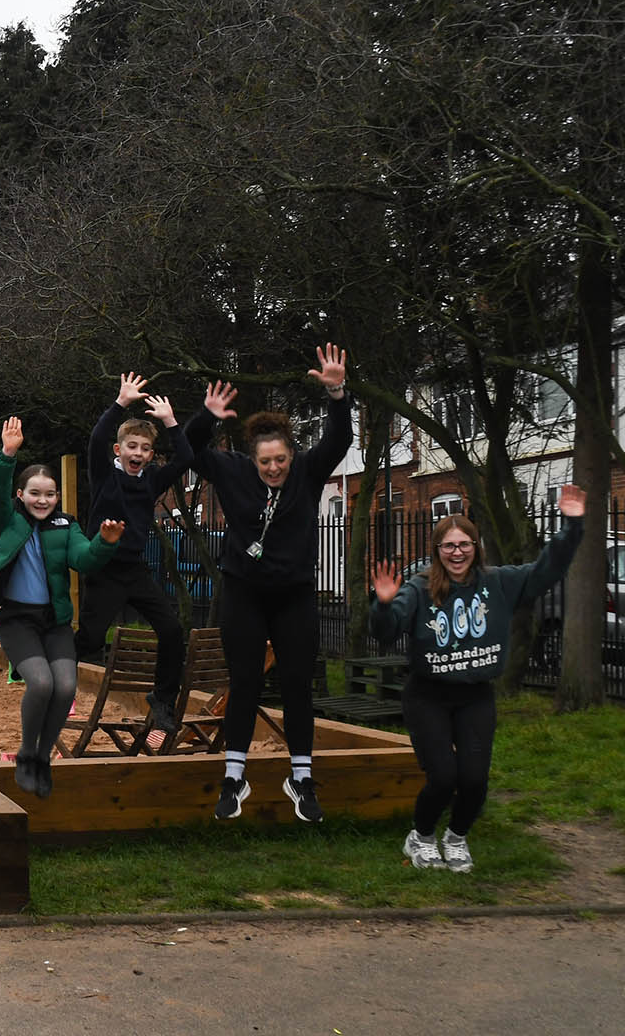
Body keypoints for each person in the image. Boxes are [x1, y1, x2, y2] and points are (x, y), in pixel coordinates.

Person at [371, 486, 585, 873]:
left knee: (474, 780)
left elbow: (546, 570)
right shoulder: (420, 588)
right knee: (443, 778)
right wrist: (384, 604)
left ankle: (456, 838)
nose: (457, 552)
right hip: (428, 696)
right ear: (437, 550)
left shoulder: (498, 582)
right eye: (448, 546)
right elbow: (387, 631)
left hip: (476, 696)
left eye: (464, 544)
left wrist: (571, 526)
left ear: (476, 546)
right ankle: (420, 837)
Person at [182, 343, 352, 823]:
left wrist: (337, 392)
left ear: (291, 456)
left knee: (298, 683)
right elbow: (189, 451)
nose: (273, 469)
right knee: (246, 681)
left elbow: (339, 441)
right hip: (244, 592)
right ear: (251, 460)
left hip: (294, 592)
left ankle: (301, 777)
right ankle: (234, 775)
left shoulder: (307, 473)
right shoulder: (232, 471)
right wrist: (206, 417)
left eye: (280, 460)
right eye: (265, 462)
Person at [0, 416, 123, 798]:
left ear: (57, 497)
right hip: (17, 620)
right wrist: (7, 455)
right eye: (35, 493)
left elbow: (86, 560)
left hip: (54, 623)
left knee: (67, 686)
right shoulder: (6, 521)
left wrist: (104, 542)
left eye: (50, 494)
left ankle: (42, 758)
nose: (43, 500)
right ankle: (26, 754)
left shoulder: (65, 526)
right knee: (40, 683)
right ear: (20, 495)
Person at [74, 373, 194, 741]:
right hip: (104, 569)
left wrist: (171, 422)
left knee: (172, 630)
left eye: (145, 449)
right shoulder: (104, 477)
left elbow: (186, 457)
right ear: (119, 450)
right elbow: (96, 438)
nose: (138, 454)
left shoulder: (151, 480)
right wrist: (121, 403)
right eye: (132, 447)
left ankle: (161, 700)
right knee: (91, 640)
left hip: (135, 571)